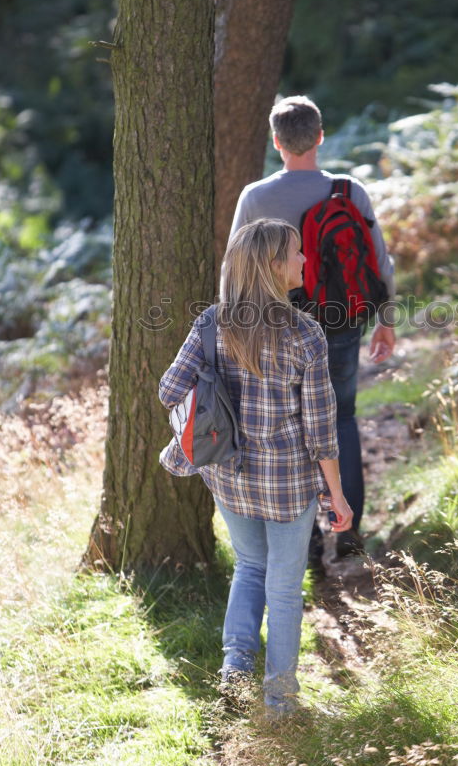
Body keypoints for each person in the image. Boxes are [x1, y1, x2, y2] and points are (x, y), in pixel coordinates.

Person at [159, 219, 353, 715]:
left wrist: (217, 401)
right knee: (284, 589)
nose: (305, 260)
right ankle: (281, 705)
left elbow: (169, 391)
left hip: (227, 473)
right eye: (295, 253)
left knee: (250, 565)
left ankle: (235, 672)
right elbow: (321, 430)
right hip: (287, 484)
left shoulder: (211, 323)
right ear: (272, 265)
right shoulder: (305, 334)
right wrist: (337, 494)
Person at [228, 95, 396, 564]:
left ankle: (302, 544)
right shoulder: (349, 191)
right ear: (320, 137)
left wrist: (230, 330)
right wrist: (387, 319)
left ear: (276, 141)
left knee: (289, 428)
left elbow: (234, 270)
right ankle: (348, 531)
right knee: (340, 419)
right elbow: (379, 260)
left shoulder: (256, 197)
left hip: (276, 327)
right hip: (342, 322)